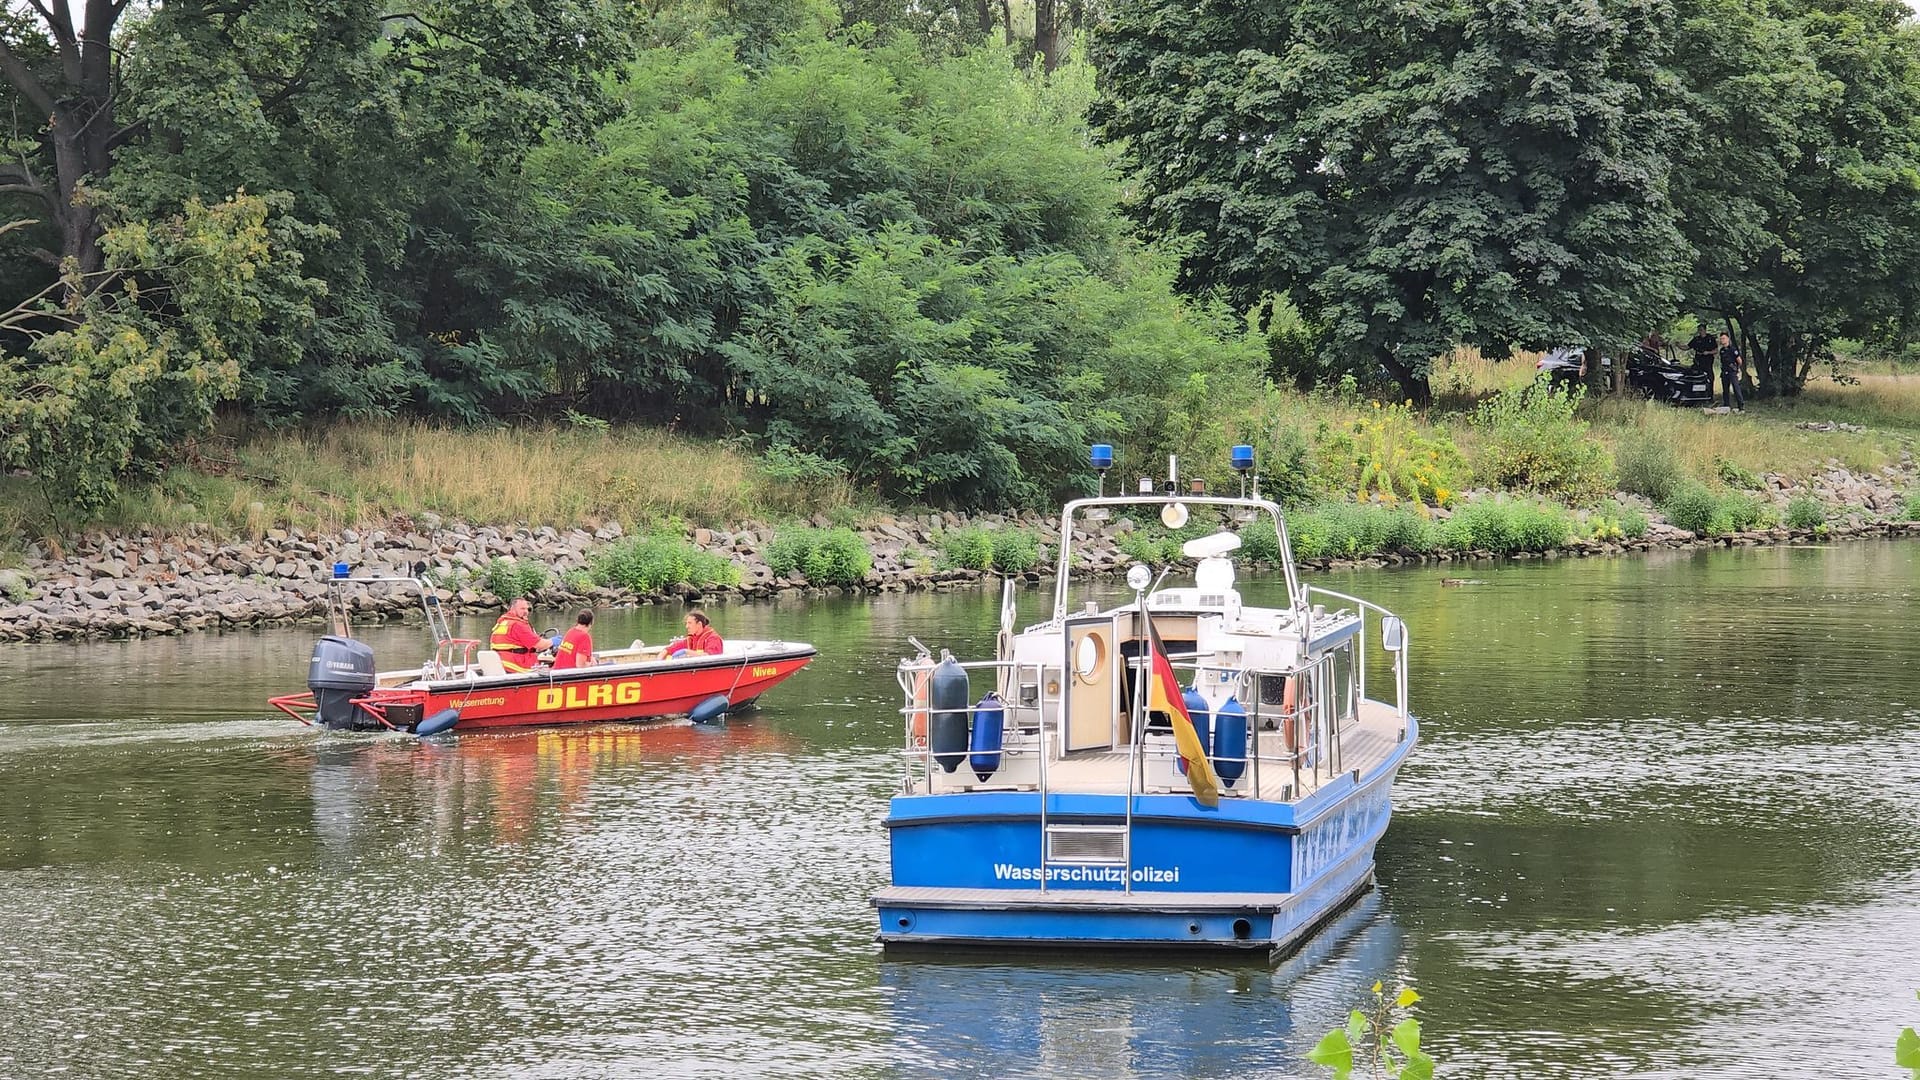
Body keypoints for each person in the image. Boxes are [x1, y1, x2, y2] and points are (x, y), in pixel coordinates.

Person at [488, 596, 549, 673]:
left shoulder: (503, 622)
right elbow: (539, 645)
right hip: (515, 665)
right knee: (549, 668)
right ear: (513, 609)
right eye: (522, 609)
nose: (526, 611)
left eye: (527, 609)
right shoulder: (518, 625)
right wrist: (553, 641)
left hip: (501, 662)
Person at [1718, 332, 1745, 411]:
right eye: (1721, 339)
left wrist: (1737, 368)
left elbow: (1739, 361)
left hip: (1732, 371)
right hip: (1724, 371)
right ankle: (1726, 405)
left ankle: (1741, 406)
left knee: (1736, 388)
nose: (1722, 340)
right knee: (1725, 390)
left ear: (1728, 339)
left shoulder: (1733, 349)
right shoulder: (1722, 350)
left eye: (1724, 338)